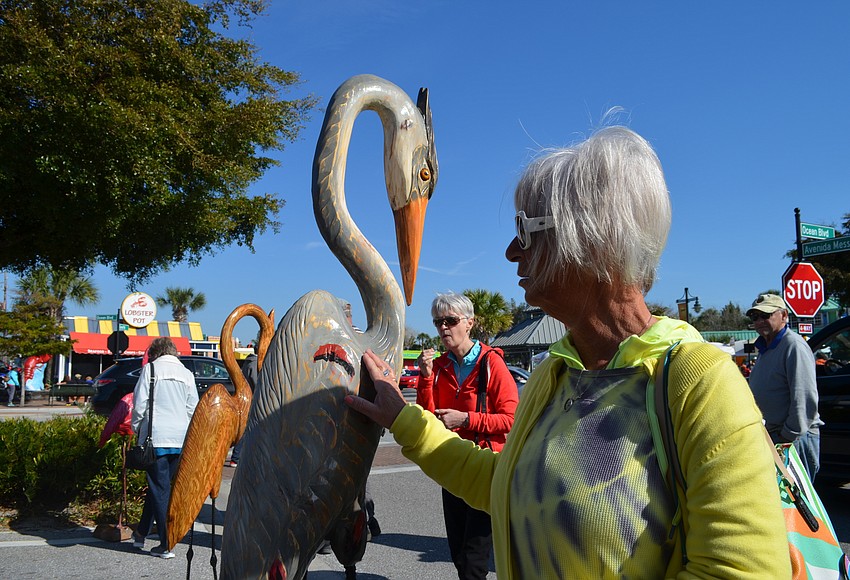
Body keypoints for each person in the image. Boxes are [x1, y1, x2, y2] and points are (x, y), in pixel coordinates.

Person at [346, 126, 790, 578]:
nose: (511, 252)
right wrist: (404, 420)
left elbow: (740, 570)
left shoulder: (699, 380)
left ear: (595, 238)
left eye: (524, 229)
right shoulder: (556, 371)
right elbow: (506, 485)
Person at [415, 292, 517, 580]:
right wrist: (425, 376)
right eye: (438, 322)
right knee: (459, 554)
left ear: (469, 323)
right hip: (454, 465)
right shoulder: (441, 366)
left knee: (474, 559)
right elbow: (427, 416)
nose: (443, 327)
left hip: (485, 467)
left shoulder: (490, 363)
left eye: (450, 320)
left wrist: (466, 418)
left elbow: (511, 420)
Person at [131, 337, 199, 559]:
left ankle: (166, 543)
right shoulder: (187, 374)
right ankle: (141, 533)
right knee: (159, 487)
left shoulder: (150, 370)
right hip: (179, 439)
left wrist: (135, 429)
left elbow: (140, 404)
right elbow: (193, 408)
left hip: (156, 437)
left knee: (160, 489)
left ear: (155, 353)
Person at [747, 292, 823, 480]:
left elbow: (804, 397)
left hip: (794, 440)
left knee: (799, 504)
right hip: (775, 438)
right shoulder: (765, 348)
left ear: (784, 315)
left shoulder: (793, 345)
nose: (759, 321)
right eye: (755, 317)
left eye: (766, 315)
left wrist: (787, 436)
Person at [229, 345, 258, 467]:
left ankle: (237, 456)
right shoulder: (256, 364)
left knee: (244, 428)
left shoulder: (248, 362)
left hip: (246, 398)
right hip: (252, 399)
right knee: (247, 429)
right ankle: (236, 457)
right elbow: (256, 382)